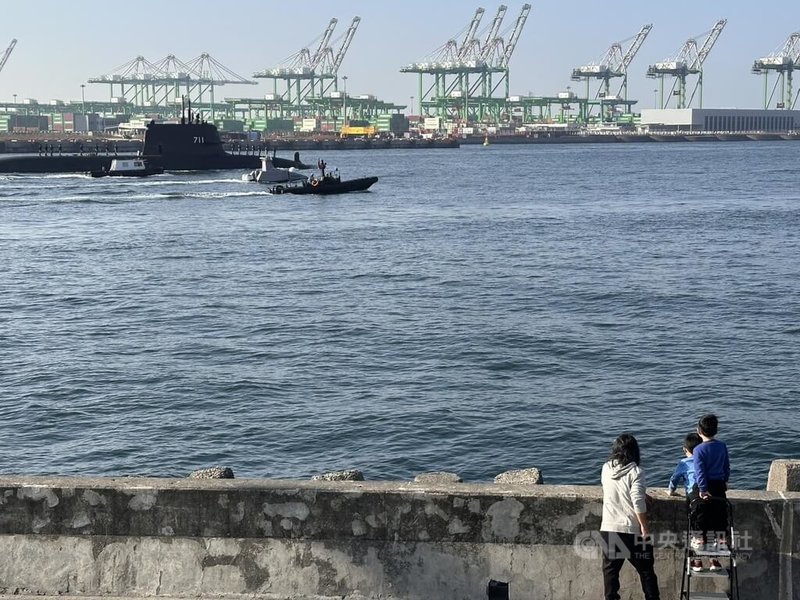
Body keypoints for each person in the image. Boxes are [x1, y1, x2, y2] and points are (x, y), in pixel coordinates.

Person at [600, 434, 660, 600]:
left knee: (611, 574)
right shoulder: (637, 472)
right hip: (632, 530)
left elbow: (617, 489)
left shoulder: (606, 468)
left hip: (609, 528)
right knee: (646, 572)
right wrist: (644, 526)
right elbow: (637, 500)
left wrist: (642, 493)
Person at [691, 414, 731, 570]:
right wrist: (725, 480)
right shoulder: (722, 446)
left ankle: (699, 549)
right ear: (716, 430)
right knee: (719, 517)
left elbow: (700, 472)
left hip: (705, 487)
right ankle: (716, 555)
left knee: (702, 517)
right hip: (719, 486)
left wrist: (702, 489)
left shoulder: (698, 449)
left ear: (699, 430)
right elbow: (726, 466)